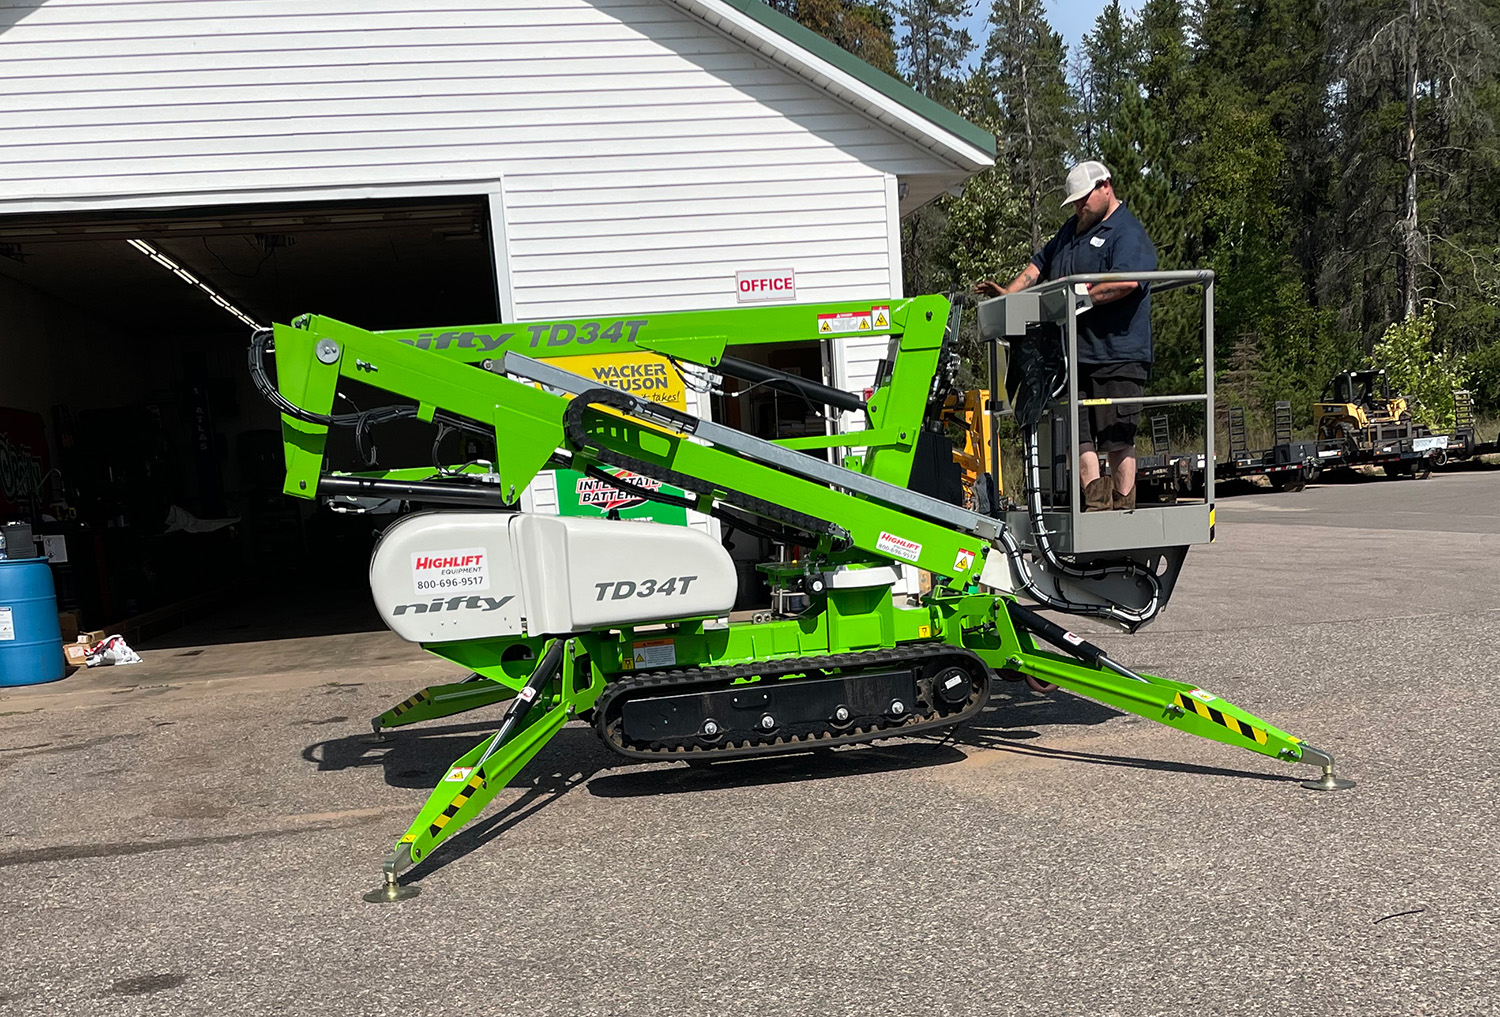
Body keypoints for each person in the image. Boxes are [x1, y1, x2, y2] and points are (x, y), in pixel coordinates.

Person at [976, 160, 1158, 511]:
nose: (1079, 207)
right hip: (1074, 355)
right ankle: (1095, 506)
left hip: (1116, 355)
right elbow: (1038, 266)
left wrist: (1079, 297)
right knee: (1079, 435)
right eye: (1074, 203)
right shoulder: (1071, 231)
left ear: (1106, 186)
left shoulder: (1126, 232)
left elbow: (1128, 281)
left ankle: (1122, 506)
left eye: (1083, 199)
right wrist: (1007, 296)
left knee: (1117, 437)